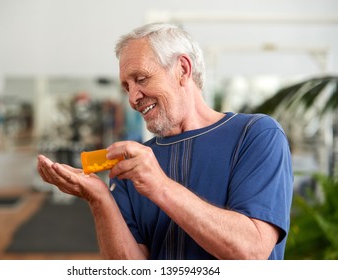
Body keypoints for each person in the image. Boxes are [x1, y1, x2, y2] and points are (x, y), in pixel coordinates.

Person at [37, 22, 293, 260]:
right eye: (126, 86)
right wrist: (99, 199)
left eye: (141, 79)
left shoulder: (256, 134)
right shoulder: (132, 164)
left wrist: (158, 185)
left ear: (183, 69)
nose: (133, 97)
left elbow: (252, 251)